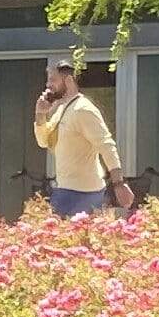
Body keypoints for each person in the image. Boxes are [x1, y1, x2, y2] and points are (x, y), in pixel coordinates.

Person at [34, 58, 125, 218]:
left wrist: (119, 183)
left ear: (68, 80)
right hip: (65, 188)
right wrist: (40, 114)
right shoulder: (62, 108)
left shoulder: (83, 109)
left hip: (84, 193)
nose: (48, 85)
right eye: (48, 80)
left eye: (53, 80)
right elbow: (43, 142)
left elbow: (106, 145)